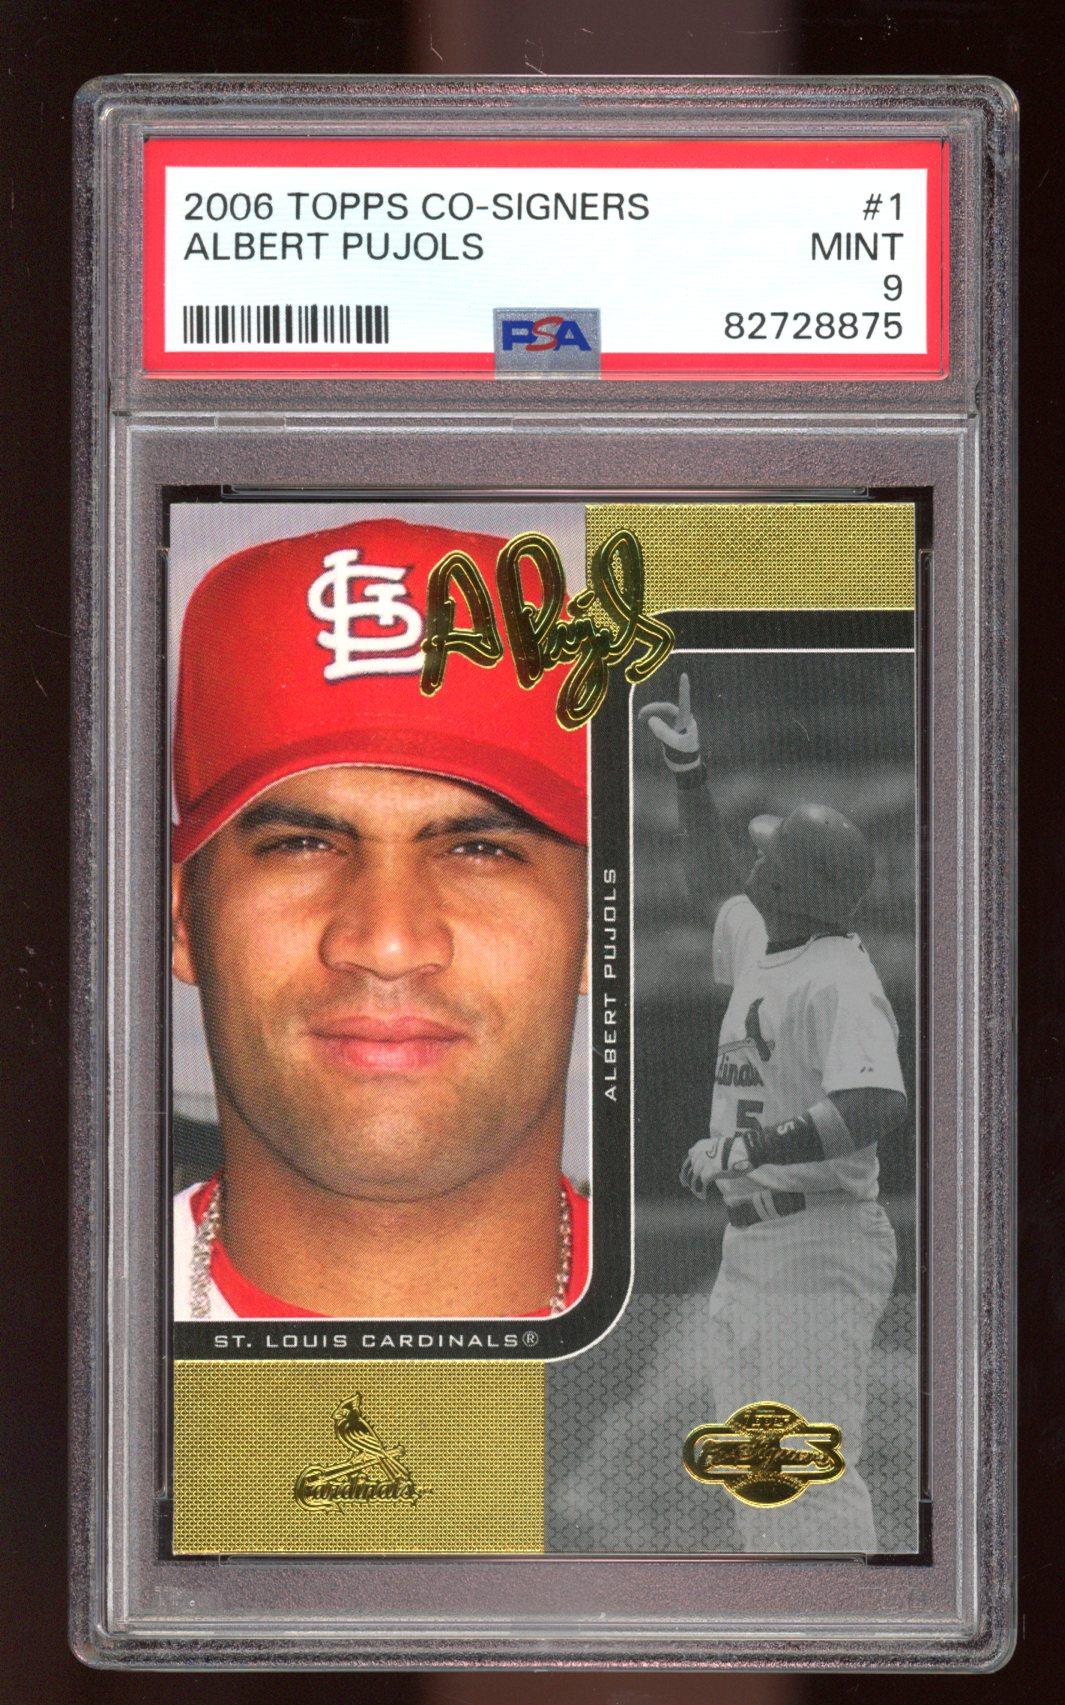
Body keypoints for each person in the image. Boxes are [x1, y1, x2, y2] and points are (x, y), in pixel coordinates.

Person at [171, 516, 590, 1321]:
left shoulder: (733, 1343)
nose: (389, 942)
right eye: (301, 844)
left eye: (479, 849)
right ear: (184, 914)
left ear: (597, 920)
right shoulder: (58, 1334)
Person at [639, 670, 908, 1552]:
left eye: (766, 855)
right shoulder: (770, 936)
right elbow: (710, 891)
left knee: (803, 1466)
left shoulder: (839, 978)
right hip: (757, 1244)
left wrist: (752, 1145)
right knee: (756, 1475)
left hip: (816, 1237)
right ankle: (789, 1611)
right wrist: (690, 776)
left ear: (787, 885)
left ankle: (841, 1624)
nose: (750, 860)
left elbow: (873, 1102)